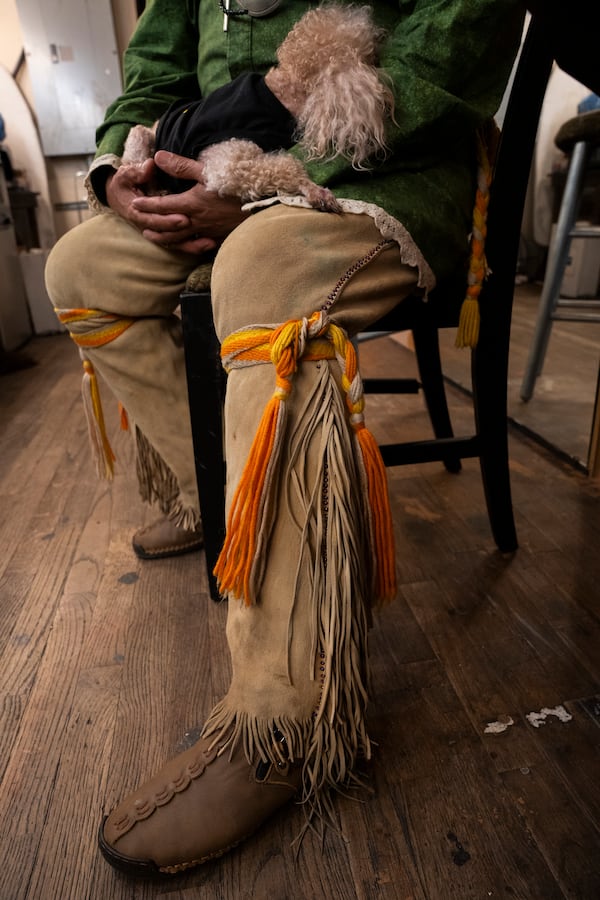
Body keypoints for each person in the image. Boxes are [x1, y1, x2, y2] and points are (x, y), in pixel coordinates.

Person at [45, 0, 524, 876]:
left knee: (263, 269)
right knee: (81, 267)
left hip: (376, 170)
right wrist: (124, 168)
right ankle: (220, 496)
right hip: (207, 179)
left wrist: (274, 176)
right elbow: (151, 79)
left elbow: (454, 42)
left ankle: (287, 714)